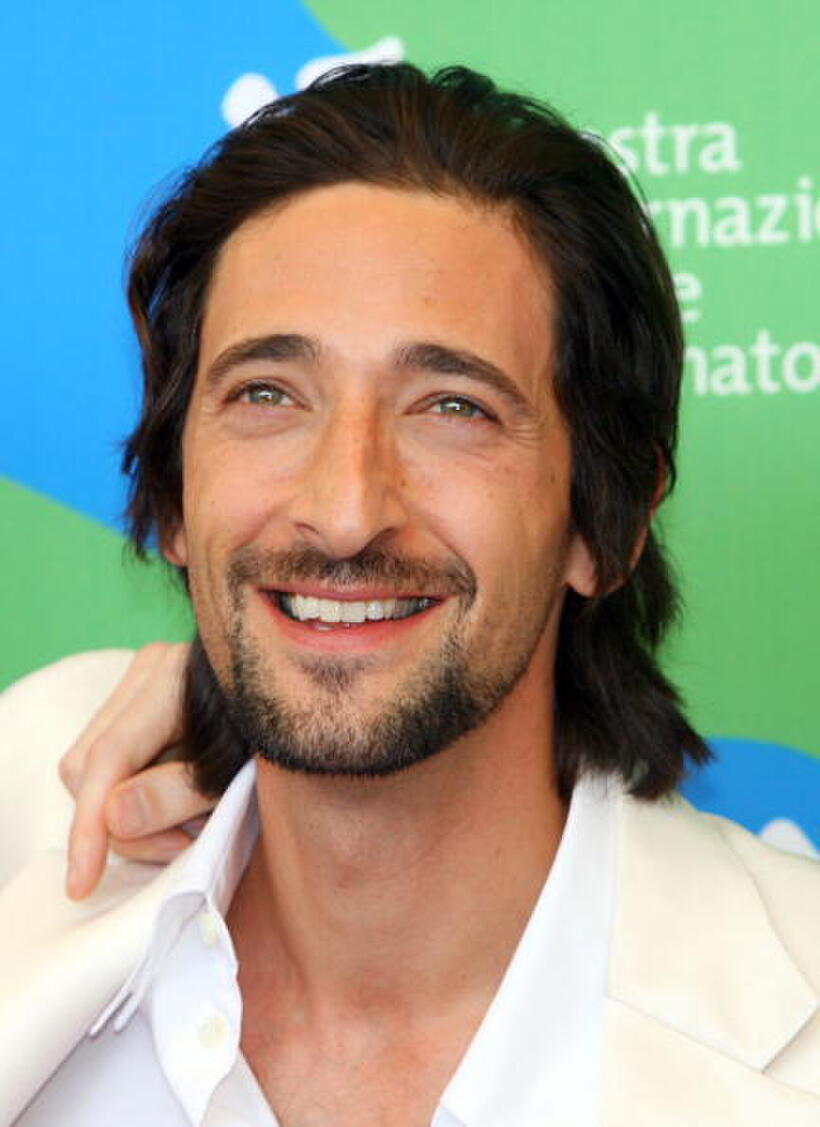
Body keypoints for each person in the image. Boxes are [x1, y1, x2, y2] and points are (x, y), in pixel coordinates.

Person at [1, 62, 818, 1127]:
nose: (345, 510)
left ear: (602, 523)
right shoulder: (38, 822)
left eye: (452, 406)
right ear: (170, 498)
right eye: (266, 394)